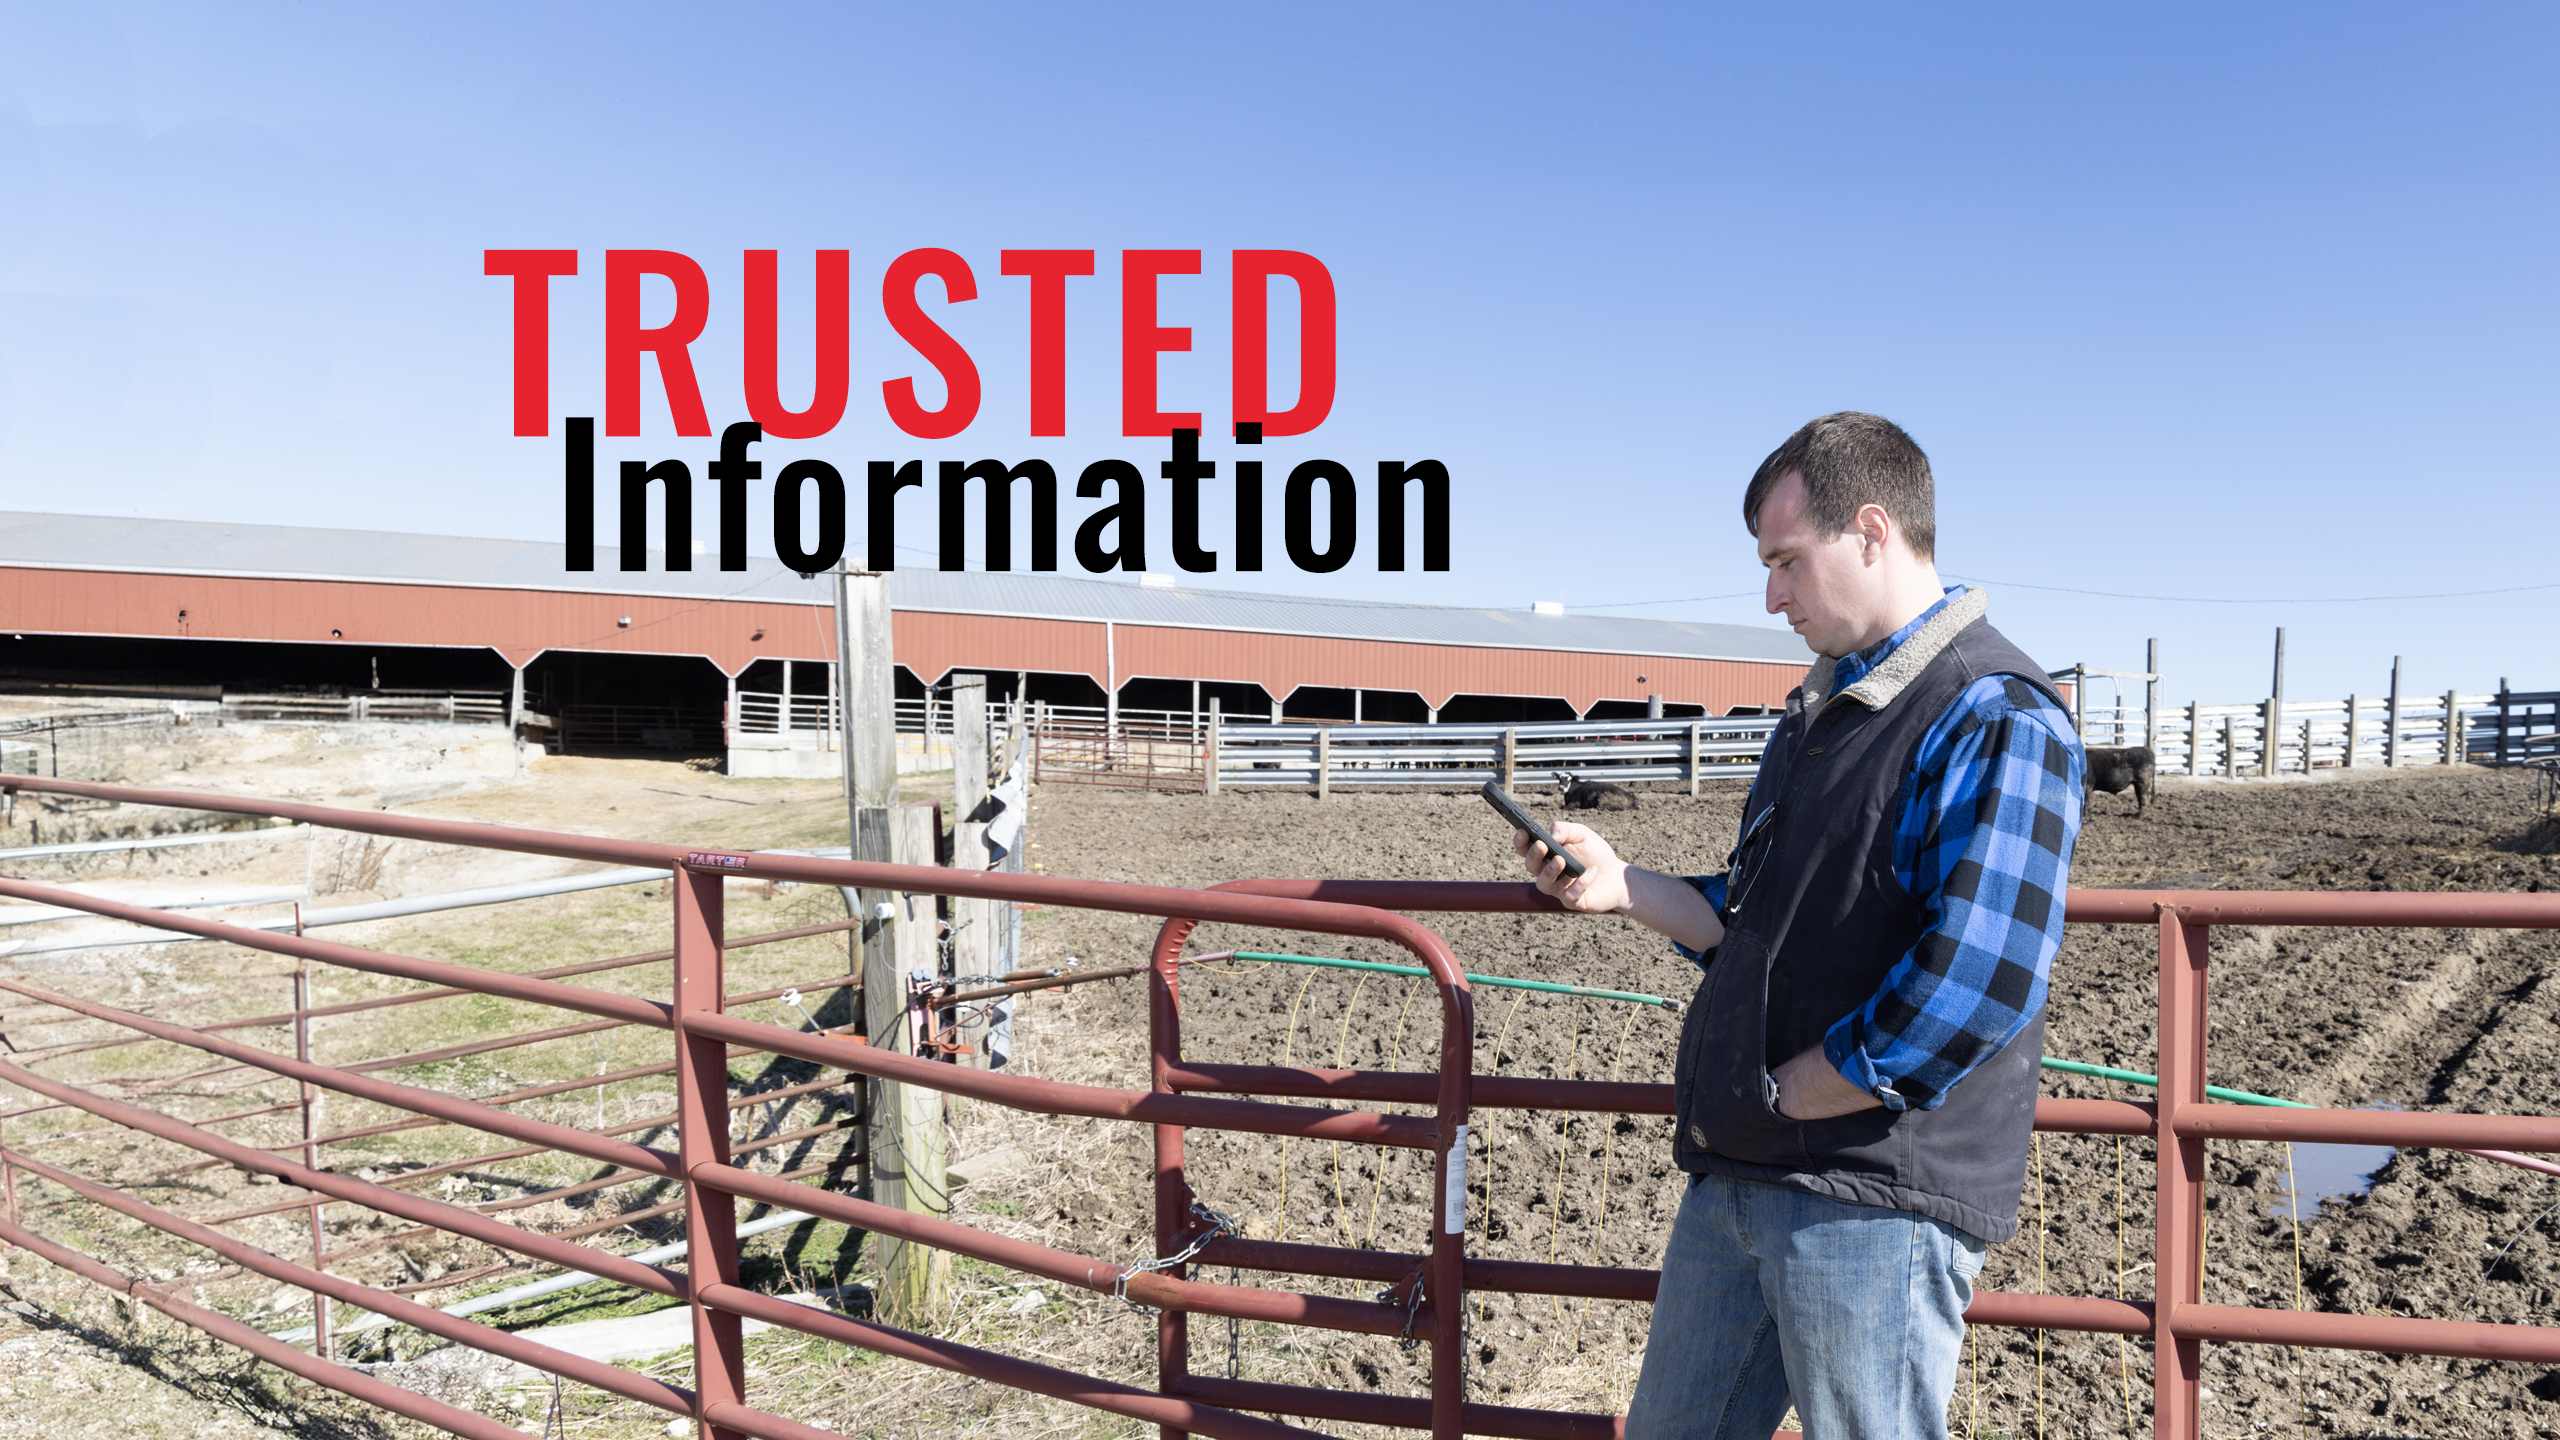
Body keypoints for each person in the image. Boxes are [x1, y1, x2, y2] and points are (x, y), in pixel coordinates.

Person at [1514, 412, 2085, 1439]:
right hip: (1747, 1167)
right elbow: (1753, 917)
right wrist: (1622, 883)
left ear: (1870, 531)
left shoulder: (1993, 712)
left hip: (1869, 1194)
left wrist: (1788, 1092)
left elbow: (1979, 983)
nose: (1770, 595)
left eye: (1785, 561)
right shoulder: (1819, 711)